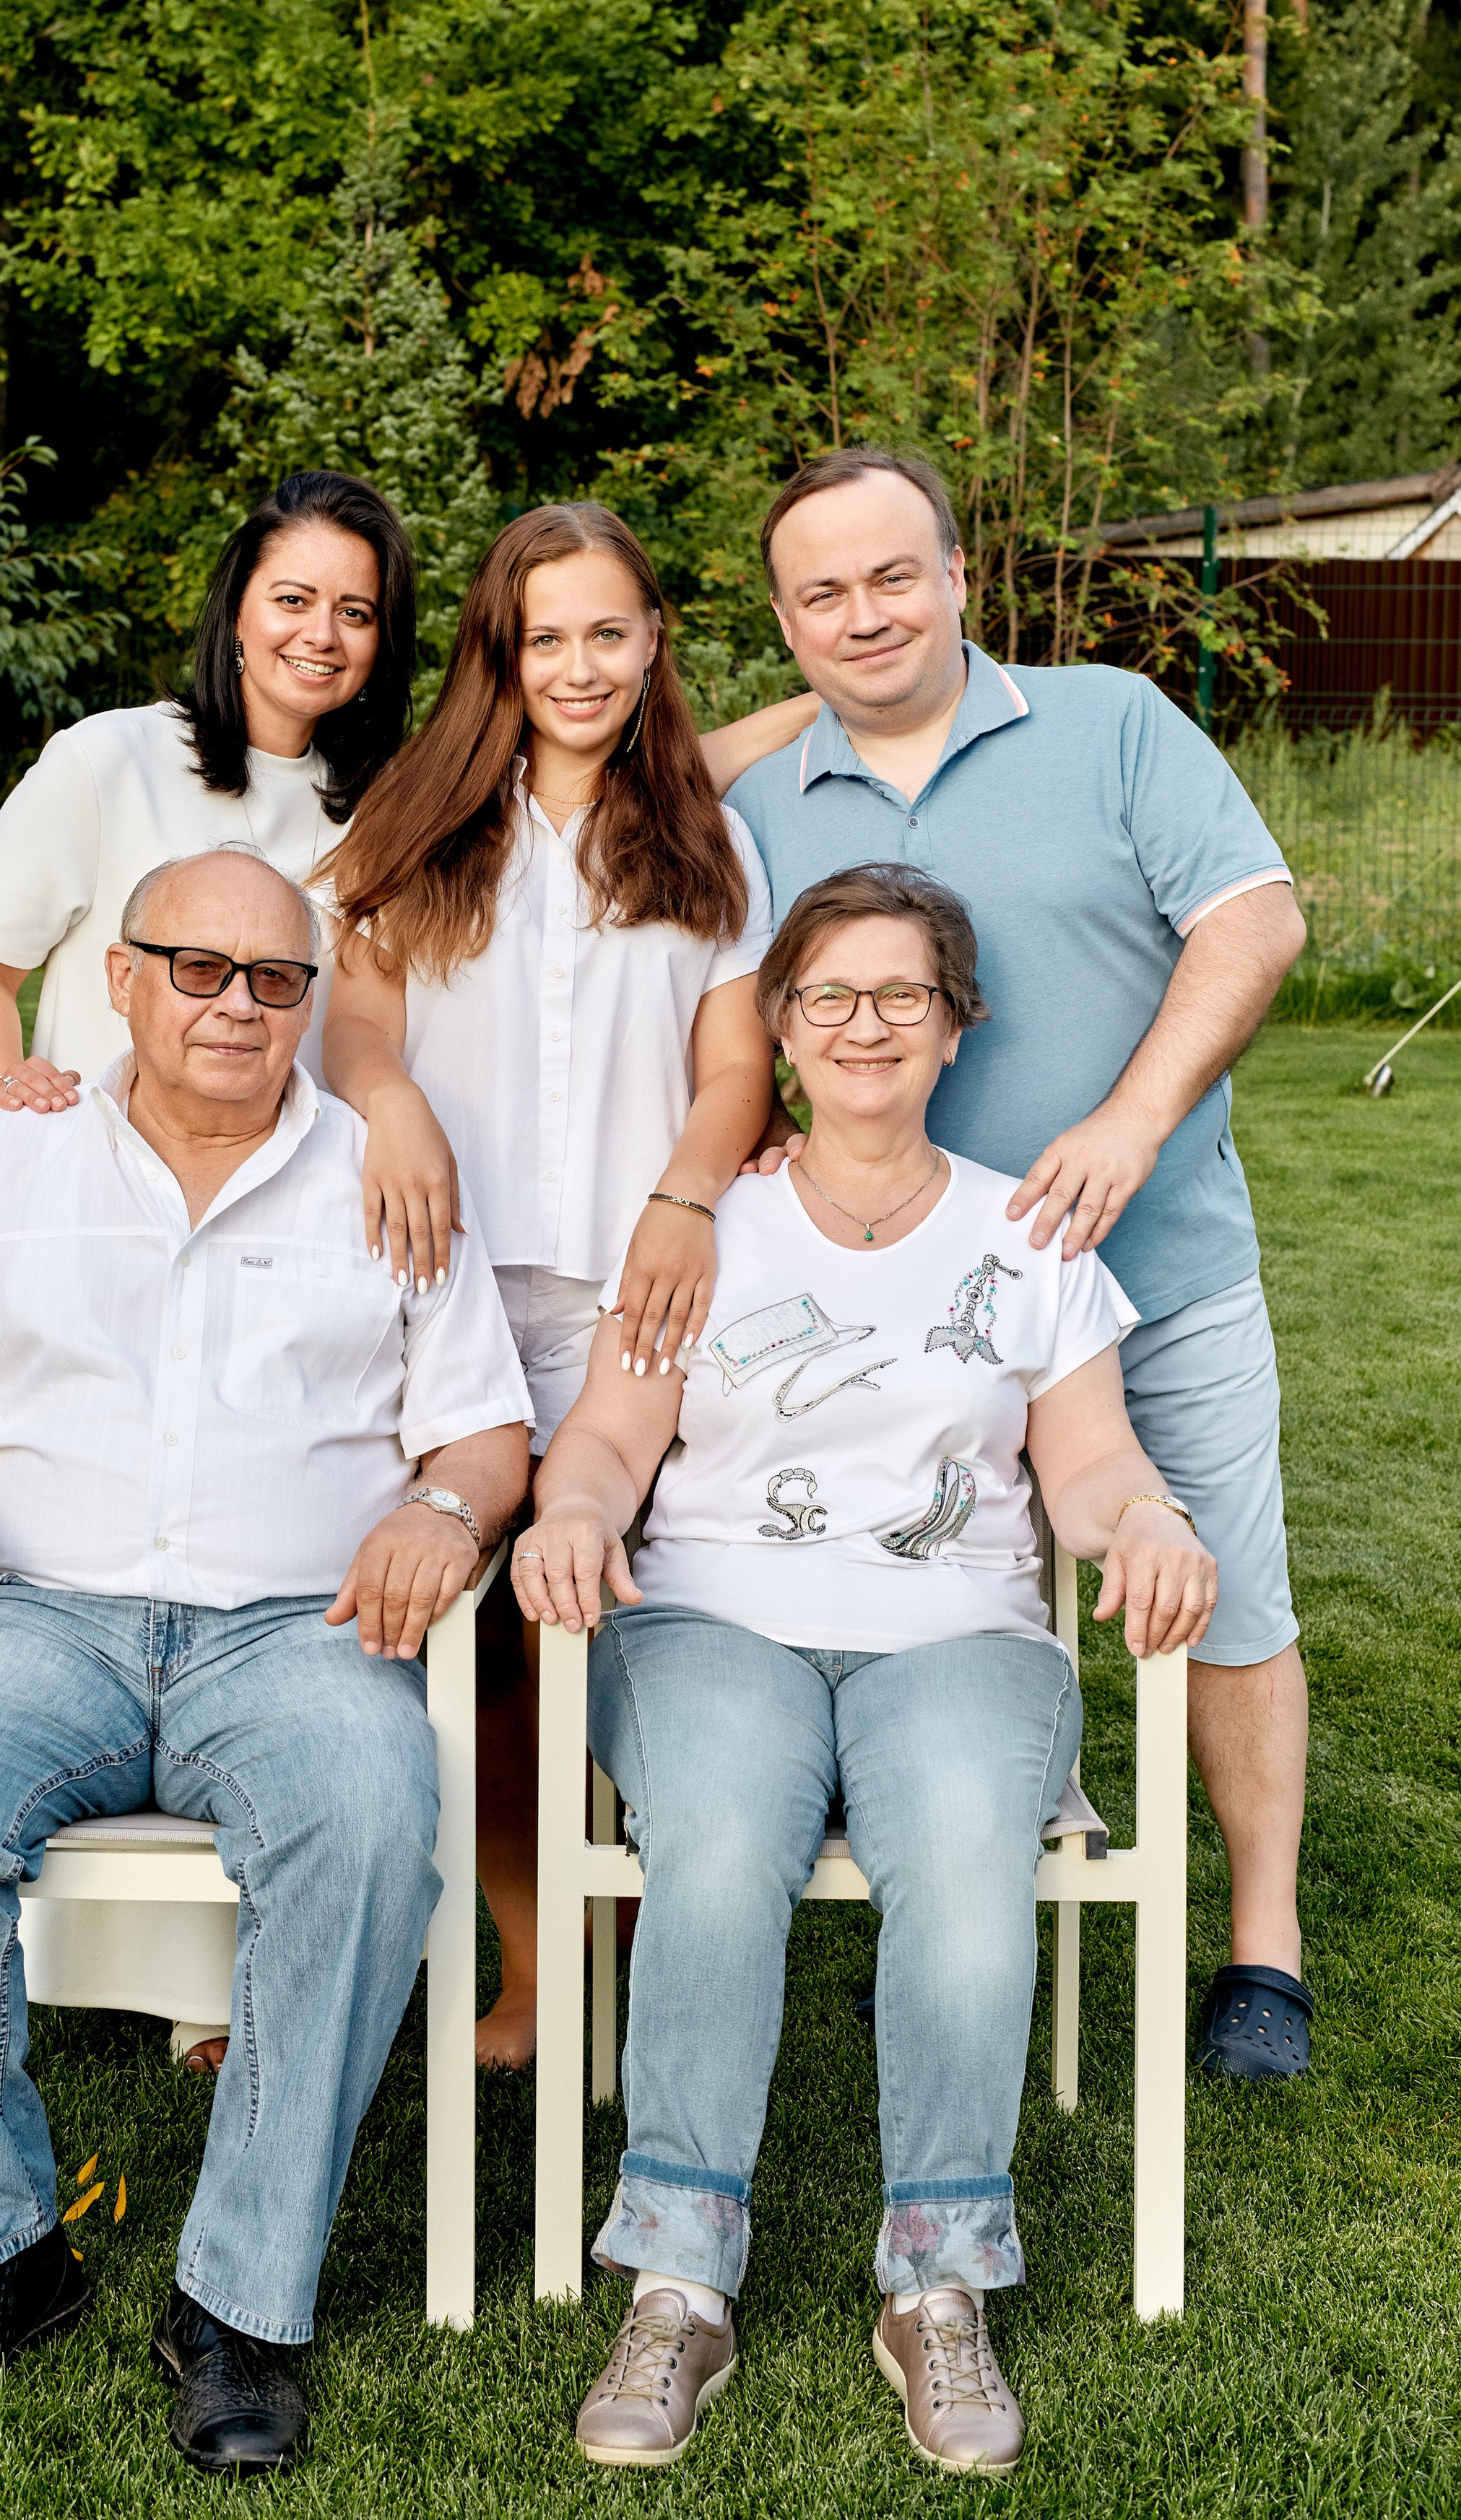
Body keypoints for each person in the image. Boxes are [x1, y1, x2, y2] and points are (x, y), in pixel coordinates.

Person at [0, 847, 531, 2477]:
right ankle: (1, 2260)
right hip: (43, 1616)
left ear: (310, 1001)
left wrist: (441, 1504)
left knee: (363, 1816)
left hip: (299, 1630)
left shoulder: (380, 1172)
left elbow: (485, 1431)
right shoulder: (10, 1167)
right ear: (121, 979)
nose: (235, 1004)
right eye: (195, 969)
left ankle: (240, 2305)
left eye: (275, 978)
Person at [513, 864, 1217, 2475]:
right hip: (705, 1619)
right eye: (827, 995)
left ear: (954, 1026)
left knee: (968, 1853)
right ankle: (682, 2279)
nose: (863, 1025)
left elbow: (1091, 1467)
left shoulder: (1023, 1232)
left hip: (958, 1636)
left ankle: (938, 2286)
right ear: (778, 1026)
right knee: (715, 1845)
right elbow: (612, 1441)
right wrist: (566, 1512)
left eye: (902, 994)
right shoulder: (700, 1228)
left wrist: (1151, 1523)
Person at [724, 448, 1313, 2082]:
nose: (862, 613)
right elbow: (595, 807)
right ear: (778, 619)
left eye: (890, 574)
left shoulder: (1111, 719)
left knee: (1223, 1587)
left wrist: (1129, 1118)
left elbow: (1252, 920)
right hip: (897, 1319)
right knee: (911, 1588)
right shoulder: (761, 803)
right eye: (819, 592)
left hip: (1156, 1255)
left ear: (959, 572)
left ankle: (1259, 1943)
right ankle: (933, 1872)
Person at [323, 503, 781, 2067]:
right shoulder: (425, 822)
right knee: (486, 1646)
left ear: (653, 644)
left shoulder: (707, 838)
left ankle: (653, 1970)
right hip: (438, 1287)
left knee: (635, 1627)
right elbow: (359, 1028)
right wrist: (388, 1105)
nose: (576, 666)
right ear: (496, 656)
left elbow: (734, 1067)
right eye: (544, 638)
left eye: (607, 632)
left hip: (635, 1300)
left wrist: (681, 1198)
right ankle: (529, 1973)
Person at [0, 466, 415, 1113]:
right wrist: (3, 1090)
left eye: (354, 613)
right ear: (238, 608)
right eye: (293, 601)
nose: (322, 635)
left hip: (288, 1196)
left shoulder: (386, 813)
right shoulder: (105, 761)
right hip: (100, 1176)